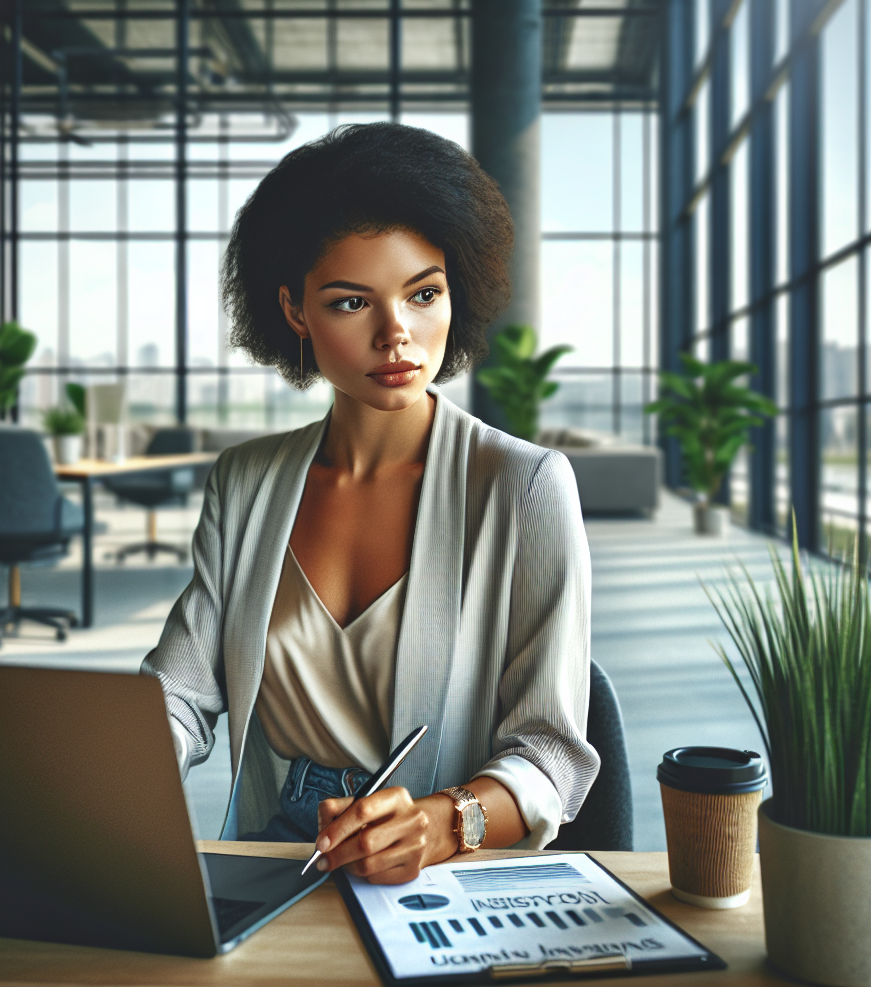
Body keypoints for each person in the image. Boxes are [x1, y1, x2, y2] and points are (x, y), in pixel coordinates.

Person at [142, 122, 598, 886]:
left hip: (438, 866)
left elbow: (551, 755)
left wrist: (448, 822)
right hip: (273, 850)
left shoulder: (523, 487)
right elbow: (181, 697)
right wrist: (96, 773)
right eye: (353, 302)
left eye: (424, 294)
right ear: (294, 311)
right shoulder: (245, 482)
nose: (398, 335)